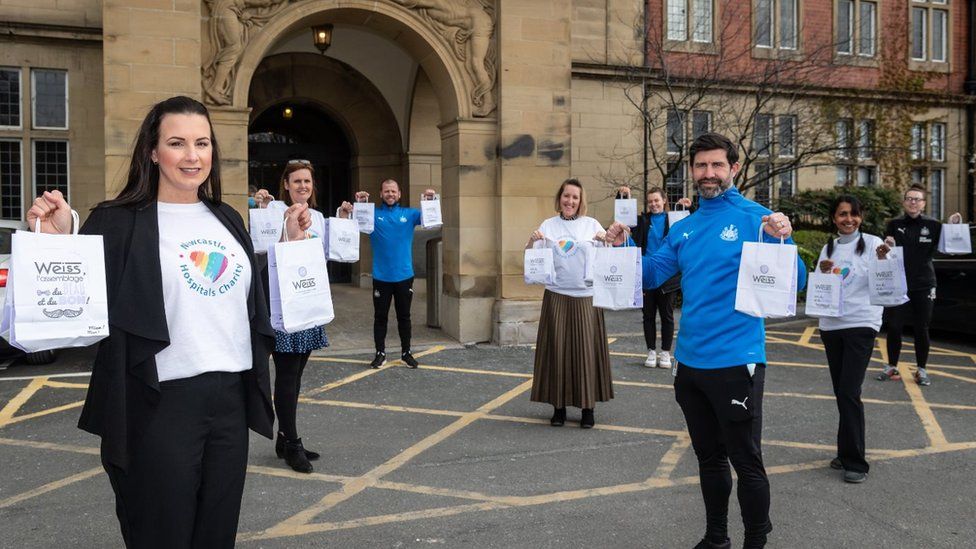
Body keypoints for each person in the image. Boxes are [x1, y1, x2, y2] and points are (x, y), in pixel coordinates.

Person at [27, 96, 311, 548]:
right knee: (162, 533)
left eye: (202, 143)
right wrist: (64, 235)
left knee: (216, 534)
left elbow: (248, 300)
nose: (192, 155)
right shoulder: (119, 221)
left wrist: (289, 244)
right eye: (177, 143)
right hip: (159, 402)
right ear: (153, 152)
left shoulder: (227, 217)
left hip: (230, 398)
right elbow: (79, 290)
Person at [606, 133, 806, 549]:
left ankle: (756, 541)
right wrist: (620, 245)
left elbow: (797, 282)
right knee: (709, 459)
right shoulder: (687, 227)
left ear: (734, 168)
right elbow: (649, 275)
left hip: (737, 361)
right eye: (701, 166)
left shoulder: (759, 217)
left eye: (717, 165)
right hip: (691, 365)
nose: (708, 173)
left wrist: (780, 237)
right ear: (691, 171)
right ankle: (716, 537)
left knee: (746, 462)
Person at [254, 160, 330, 474]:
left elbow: (320, 256)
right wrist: (260, 206)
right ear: (285, 184)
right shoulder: (272, 213)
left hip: (307, 301)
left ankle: (285, 438)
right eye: (296, 181)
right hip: (282, 305)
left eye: (307, 182)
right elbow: (264, 253)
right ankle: (291, 443)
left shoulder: (321, 218)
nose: (302, 186)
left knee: (296, 376)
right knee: (286, 376)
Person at [526, 178, 615, 429]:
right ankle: (559, 407)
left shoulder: (591, 225)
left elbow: (607, 256)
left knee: (586, 352)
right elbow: (535, 261)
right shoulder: (548, 225)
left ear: (580, 201)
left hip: (586, 297)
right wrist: (533, 241)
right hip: (556, 295)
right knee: (558, 351)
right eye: (566, 196)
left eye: (575, 197)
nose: (570, 201)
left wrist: (605, 239)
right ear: (560, 198)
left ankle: (588, 408)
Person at [816, 195, 888, 484]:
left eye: (854, 214)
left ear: (861, 216)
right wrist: (821, 271)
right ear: (834, 218)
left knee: (849, 391)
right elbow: (822, 284)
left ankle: (856, 461)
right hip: (832, 326)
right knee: (841, 391)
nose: (849, 219)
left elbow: (887, 278)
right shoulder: (828, 247)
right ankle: (845, 451)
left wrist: (885, 258)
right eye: (843, 214)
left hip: (861, 323)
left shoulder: (873, 244)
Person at [339, 180, 436, 369]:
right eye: (386, 191)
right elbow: (349, 223)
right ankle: (380, 353)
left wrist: (431, 200)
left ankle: (406, 353)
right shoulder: (373, 214)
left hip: (404, 276)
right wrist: (358, 204)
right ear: (381, 194)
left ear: (399, 194)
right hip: (381, 277)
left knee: (404, 317)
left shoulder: (409, 214)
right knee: (380, 317)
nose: (390, 194)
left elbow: (431, 219)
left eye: (393, 191)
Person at [878, 184, 961, 386]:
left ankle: (922, 369)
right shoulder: (894, 223)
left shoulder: (933, 225)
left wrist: (953, 227)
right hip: (899, 282)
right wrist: (887, 246)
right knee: (895, 326)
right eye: (909, 198)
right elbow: (886, 253)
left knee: (921, 327)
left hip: (924, 283)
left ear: (923, 204)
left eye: (917, 199)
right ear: (904, 201)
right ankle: (891, 366)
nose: (913, 202)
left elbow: (949, 248)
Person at [618, 186, 691, 368]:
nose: (653, 204)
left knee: (667, 316)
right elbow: (623, 219)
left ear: (664, 201)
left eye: (657, 200)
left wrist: (689, 209)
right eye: (650, 201)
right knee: (648, 316)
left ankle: (665, 353)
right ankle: (651, 351)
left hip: (668, 275)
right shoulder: (643, 221)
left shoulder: (674, 219)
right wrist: (622, 197)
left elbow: (692, 230)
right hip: (646, 273)